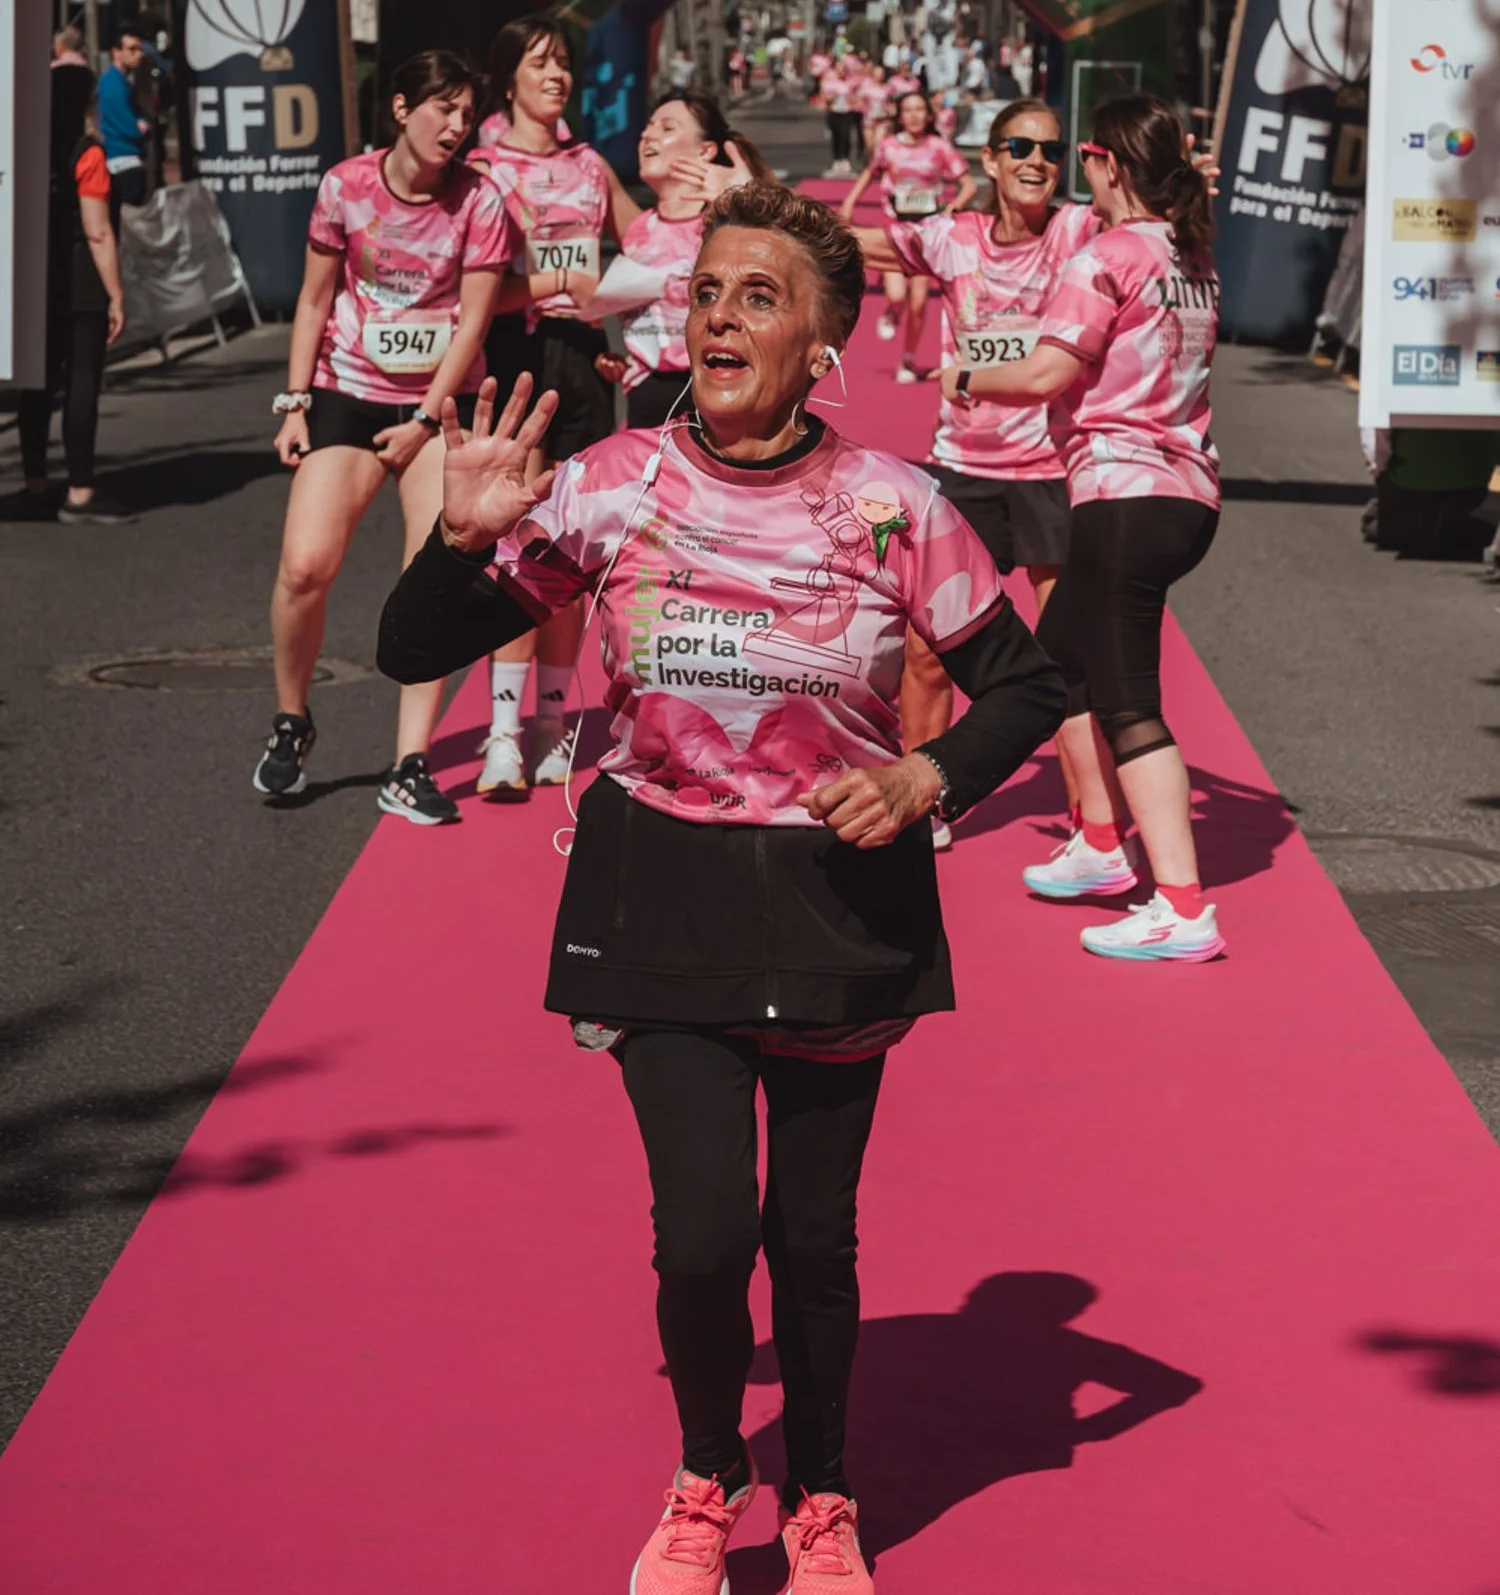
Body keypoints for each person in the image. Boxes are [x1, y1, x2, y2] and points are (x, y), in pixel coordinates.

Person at [378, 179, 1066, 1594]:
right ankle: (709, 1471)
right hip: (662, 887)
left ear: (826, 346)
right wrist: (462, 540)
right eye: (706, 292)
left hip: (835, 898)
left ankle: (824, 1494)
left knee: (811, 1235)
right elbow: (406, 652)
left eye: (759, 296)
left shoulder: (895, 508)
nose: (716, 316)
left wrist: (927, 780)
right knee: (700, 1227)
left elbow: (1028, 686)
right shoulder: (612, 482)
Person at [942, 95, 1226, 963]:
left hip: (1126, 496)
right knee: (1058, 663)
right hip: (1182, 493)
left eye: (1082, 156)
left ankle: (1182, 905)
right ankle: (1102, 844)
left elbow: (1047, 370)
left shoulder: (1108, 254)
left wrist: (965, 378)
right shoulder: (1193, 253)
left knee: (1132, 702)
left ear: (1104, 161)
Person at [254, 50, 513, 824]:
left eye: (468, 115)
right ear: (402, 108)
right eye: (444, 109)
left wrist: (428, 420)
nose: (457, 127)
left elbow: (473, 320)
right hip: (349, 392)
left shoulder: (480, 200)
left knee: (428, 579)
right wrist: (295, 402)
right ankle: (292, 722)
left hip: (441, 404)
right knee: (304, 566)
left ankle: (410, 763)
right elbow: (313, 298)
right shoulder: (345, 186)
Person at [851, 100, 1090, 843]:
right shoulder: (953, 238)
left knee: (1068, 652)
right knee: (928, 650)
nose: (1036, 161)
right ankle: (927, 793)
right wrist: (757, 205)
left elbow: (1147, 226)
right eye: (1020, 146)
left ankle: (1093, 827)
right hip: (965, 470)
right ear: (989, 159)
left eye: (1051, 151)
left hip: (1050, 465)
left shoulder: (1079, 231)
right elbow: (863, 242)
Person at [469, 14, 639, 798]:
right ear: (508, 77)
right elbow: (472, 293)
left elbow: (649, 251)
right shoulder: (481, 169)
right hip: (511, 363)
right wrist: (552, 285)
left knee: (565, 556)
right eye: (540, 63)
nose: (557, 75)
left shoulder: (588, 163)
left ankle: (553, 725)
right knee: (516, 553)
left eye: (564, 63)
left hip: (580, 363)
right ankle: (501, 734)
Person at [575, 91, 769, 429]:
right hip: (644, 399)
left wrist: (748, 202)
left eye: (667, 128)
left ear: (705, 151)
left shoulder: (728, 224)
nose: (647, 135)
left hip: (711, 391)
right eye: (647, 128)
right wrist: (617, 359)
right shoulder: (638, 230)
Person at [8, 39, 131, 524]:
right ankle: (80, 489)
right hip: (81, 279)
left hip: (35, 273)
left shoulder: (28, 149)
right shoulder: (88, 153)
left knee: (37, 384)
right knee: (81, 380)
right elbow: (97, 230)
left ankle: (35, 482)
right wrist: (116, 293)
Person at [839, 88, 973, 382]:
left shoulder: (939, 147)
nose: (914, 116)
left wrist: (952, 209)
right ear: (900, 115)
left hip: (927, 233)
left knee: (919, 302)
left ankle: (908, 361)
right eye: (908, 110)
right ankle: (891, 309)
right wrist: (850, 202)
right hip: (893, 228)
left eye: (919, 110)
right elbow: (870, 173)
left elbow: (968, 185)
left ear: (928, 115)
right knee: (899, 295)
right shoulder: (888, 146)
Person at [95, 24, 151, 211]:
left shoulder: (123, 81)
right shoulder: (113, 84)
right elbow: (129, 126)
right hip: (122, 161)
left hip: (125, 159)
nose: (138, 54)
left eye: (140, 49)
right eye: (132, 49)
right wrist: (140, 127)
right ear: (116, 52)